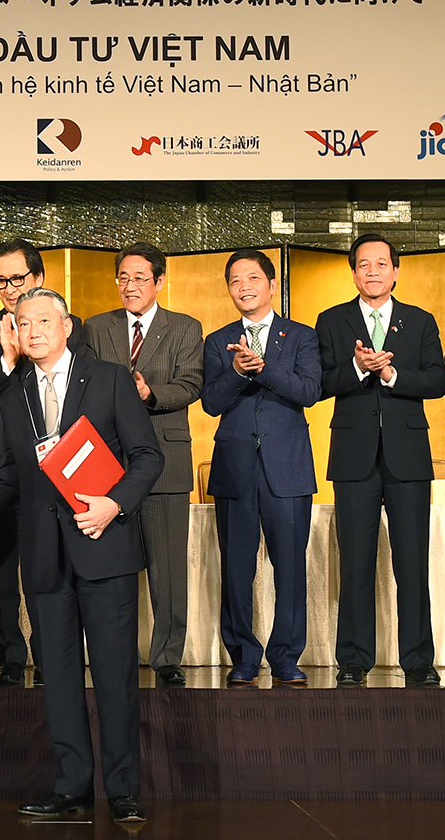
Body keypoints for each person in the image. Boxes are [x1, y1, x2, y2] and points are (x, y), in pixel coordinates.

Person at [0, 288, 162, 824]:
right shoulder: (11, 397)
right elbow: (5, 479)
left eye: (43, 321)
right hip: (44, 556)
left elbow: (147, 457)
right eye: (22, 323)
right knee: (58, 676)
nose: (32, 331)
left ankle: (123, 789)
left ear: (67, 326)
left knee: (116, 675)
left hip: (104, 546)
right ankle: (71, 785)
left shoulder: (111, 379)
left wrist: (114, 503)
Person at [316, 235, 445, 689]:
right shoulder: (331, 320)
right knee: (355, 562)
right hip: (354, 455)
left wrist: (390, 374)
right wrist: (357, 369)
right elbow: (319, 383)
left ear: (396, 271)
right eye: (364, 265)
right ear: (353, 273)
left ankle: (418, 660)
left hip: (407, 456)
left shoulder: (420, 320)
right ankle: (353, 659)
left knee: (413, 562)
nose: (372, 272)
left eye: (381, 264)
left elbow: (437, 381)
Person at [0, 239, 89, 688]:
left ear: (39, 278)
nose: (10, 288)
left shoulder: (68, 325)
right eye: (1, 281)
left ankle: (52, 657)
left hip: (56, 467)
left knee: (50, 566)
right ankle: (10, 659)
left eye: (18, 278)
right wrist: (7, 358)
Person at [84, 242, 203, 687]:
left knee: (167, 569)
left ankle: (167, 656)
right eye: (123, 278)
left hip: (166, 460)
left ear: (159, 281)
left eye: (139, 278)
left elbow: (191, 384)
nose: (130, 285)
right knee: (114, 568)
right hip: (109, 467)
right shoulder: (97, 327)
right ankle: (117, 653)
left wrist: (149, 393)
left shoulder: (185, 327)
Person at [200, 250, 320, 687]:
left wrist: (263, 369)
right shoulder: (218, 341)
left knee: (290, 567)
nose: (244, 287)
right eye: (235, 280)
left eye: (253, 278)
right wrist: (236, 371)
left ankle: (286, 656)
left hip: (287, 467)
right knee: (236, 569)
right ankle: (243, 656)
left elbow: (309, 391)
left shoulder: (301, 336)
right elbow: (211, 402)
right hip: (235, 468)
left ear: (272, 285)